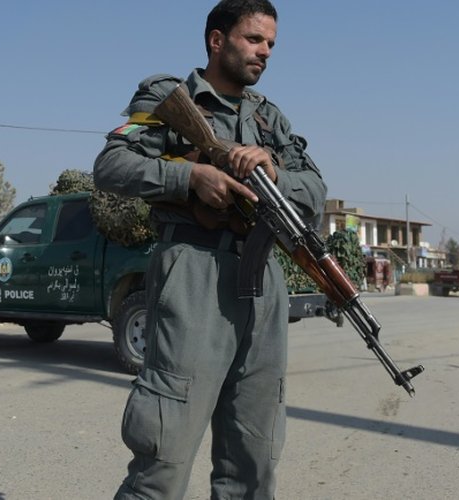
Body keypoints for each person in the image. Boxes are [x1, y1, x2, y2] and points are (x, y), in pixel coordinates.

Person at [93, 1, 327, 497]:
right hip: (193, 270)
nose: (264, 52)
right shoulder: (167, 98)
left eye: (270, 44)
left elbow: (316, 192)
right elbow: (111, 165)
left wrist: (276, 170)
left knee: (254, 453)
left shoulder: (270, 121)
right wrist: (190, 177)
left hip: (262, 278)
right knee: (166, 447)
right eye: (253, 39)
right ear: (217, 40)